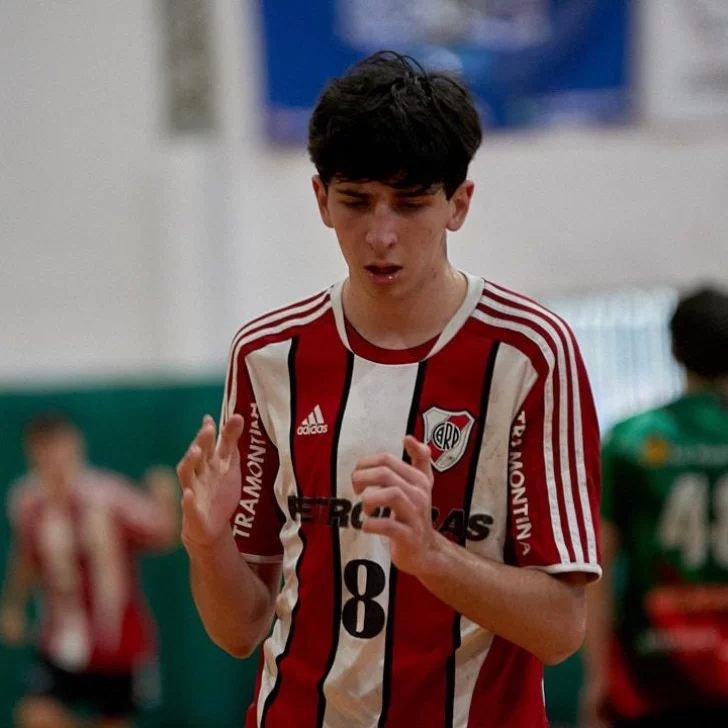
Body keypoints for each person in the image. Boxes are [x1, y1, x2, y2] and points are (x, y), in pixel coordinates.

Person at [177, 51, 602, 727]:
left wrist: (432, 554)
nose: (381, 234)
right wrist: (206, 543)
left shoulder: (528, 354)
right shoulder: (268, 355)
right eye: (356, 202)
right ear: (321, 200)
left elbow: (560, 629)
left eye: (409, 204)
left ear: (458, 204)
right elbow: (239, 630)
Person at [581, 286, 728, 728]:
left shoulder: (632, 439)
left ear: (674, 348)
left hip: (652, 673)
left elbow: (598, 565)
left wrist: (597, 678)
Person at [0, 413, 178, 728]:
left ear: (76, 446)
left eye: (59, 446)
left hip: (118, 642)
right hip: (59, 640)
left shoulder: (110, 497)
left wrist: (166, 496)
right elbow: (25, 555)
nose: (53, 458)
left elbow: (162, 534)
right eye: (43, 448)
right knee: (35, 715)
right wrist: (13, 605)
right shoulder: (27, 501)